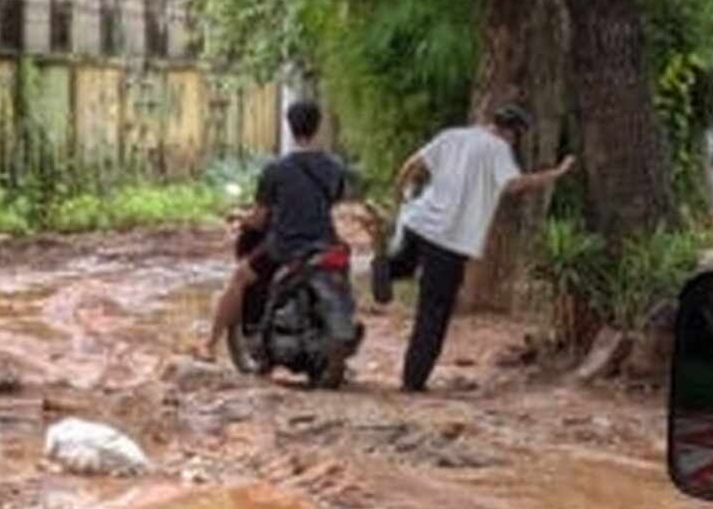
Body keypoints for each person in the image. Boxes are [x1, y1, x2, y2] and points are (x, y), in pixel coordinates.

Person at [371, 104, 577, 392]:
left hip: (419, 221)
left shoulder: (452, 136)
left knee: (405, 263)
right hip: (451, 240)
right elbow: (513, 185)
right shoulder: (498, 149)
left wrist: (400, 198)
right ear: (513, 134)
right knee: (434, 310)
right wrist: (555, 174)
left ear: (488, 121)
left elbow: (412, 165)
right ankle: (412, 381)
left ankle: (387, 267)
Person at [196, 100, 347, 362]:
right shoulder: (334, 166)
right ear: (318, 126)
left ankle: (209, 344)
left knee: (240, 277)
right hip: (326, 245)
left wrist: (240, 218)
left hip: (286, 248)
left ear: (290, 127)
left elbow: (258, 219)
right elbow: (333, 201)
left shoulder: (276, 170)